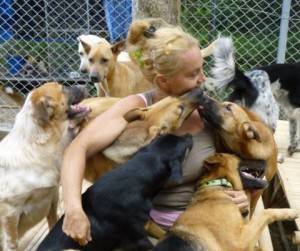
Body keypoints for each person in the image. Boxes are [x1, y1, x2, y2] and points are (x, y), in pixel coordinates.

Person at [61, 19, 249, 246]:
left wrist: (242, 194)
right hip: (144, 228)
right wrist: (73, 210)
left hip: (204, 225)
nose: (203, 79)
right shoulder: (135, 109)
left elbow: (244, 160)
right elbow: (77, 150)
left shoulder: (208, 111)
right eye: (193, 74)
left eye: (202, 70)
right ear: (163, 81)